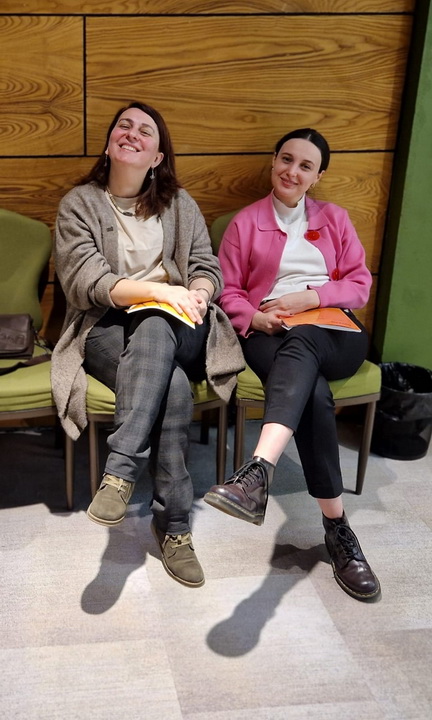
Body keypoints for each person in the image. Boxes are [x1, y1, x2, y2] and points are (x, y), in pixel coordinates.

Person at [52, 101, 244, 588]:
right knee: (173, 388)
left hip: (183, 324)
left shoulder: (179, 204)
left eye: (145, 131)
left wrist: (197, 292)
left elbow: (206, 266)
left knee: (157, 323)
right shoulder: (79, 204)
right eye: (124, 126)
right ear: (110, 142)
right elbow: (85, 281)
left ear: (157, 157)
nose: (132, 133)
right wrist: (159, 292)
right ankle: (175, 525)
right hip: (106, 325)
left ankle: (119, 471)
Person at [204, 128, 381, 602]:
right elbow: (228, 291)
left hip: (334, 330)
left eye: (306, 165)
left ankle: (258, 469)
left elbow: (359, 284)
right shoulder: (245, 223)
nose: (292, 171)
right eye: (286, 159)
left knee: (304, 339)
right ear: (273, 161)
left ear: (317, 176)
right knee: (314, 393)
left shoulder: (335, 218)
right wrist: (254, 318)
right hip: (269, 332)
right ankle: (338, 529)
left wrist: (311, 297)